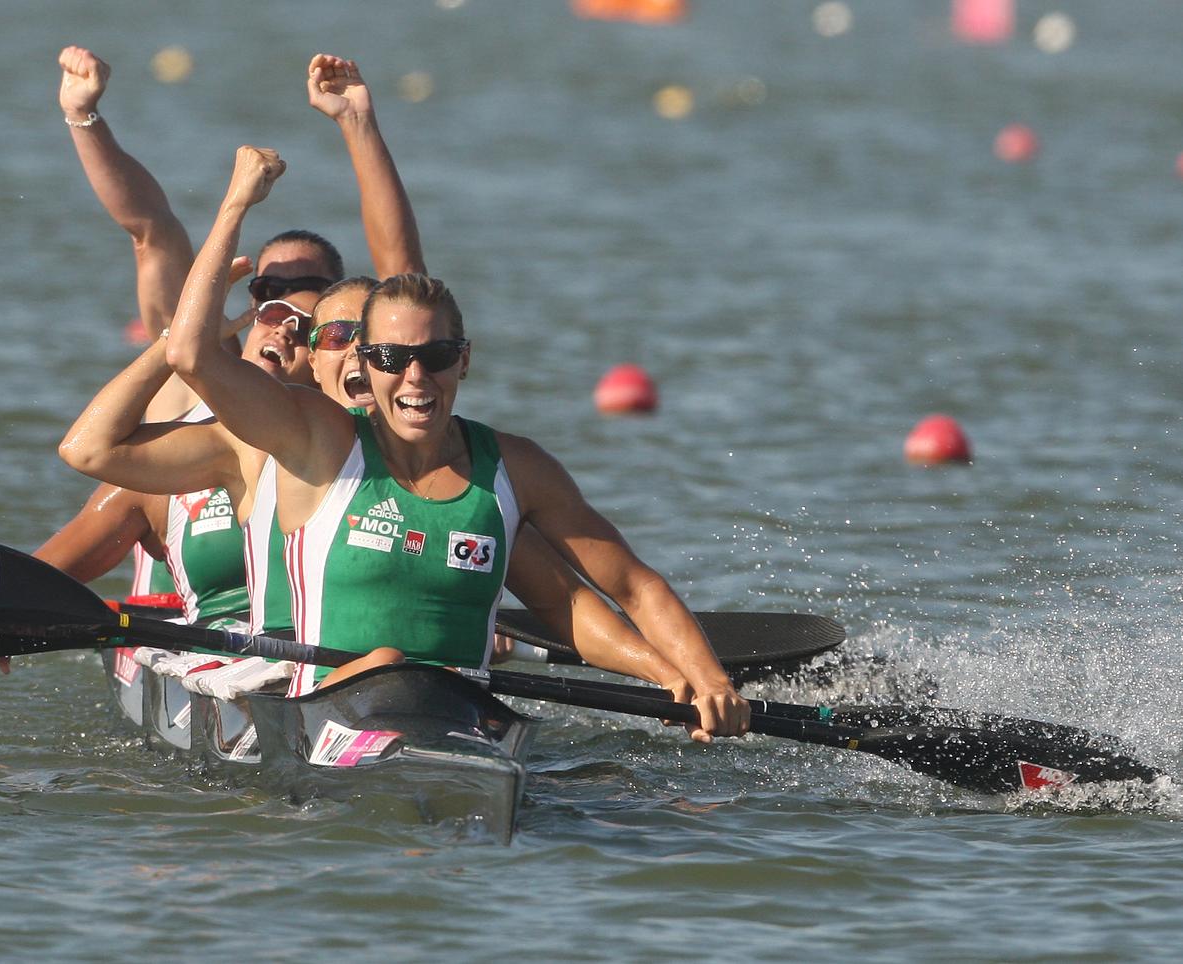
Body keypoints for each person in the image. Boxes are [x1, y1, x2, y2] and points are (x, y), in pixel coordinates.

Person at [161, 147, 751, 740]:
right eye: (393, 358)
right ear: (368, 363)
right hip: (325, 721)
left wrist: (692, 677)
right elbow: (189, 354)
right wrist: (236, 204)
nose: (416, 377)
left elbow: (627, 588)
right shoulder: (320, 439)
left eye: (436, 356)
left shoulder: (516, 468)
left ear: (463, 361)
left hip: (461, 723)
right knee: (388, 661)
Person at [38, 48, 421, 634]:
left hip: (320, 647)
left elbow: (407, 282)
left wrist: (357, 122)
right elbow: (151, 233)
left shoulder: (362, 406)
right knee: (127, 492)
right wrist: (82, 117)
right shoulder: (194, 376)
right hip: (208, 645)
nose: (282, 311)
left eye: (307, 295)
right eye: (268, 290)